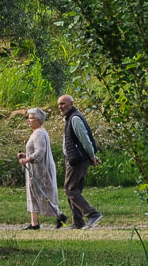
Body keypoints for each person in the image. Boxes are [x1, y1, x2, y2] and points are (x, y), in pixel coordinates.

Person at [57, 94, 102, 229]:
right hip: (74, 158)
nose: (60, 107)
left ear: (71, 104)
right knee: (75, 190)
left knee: (70, 190)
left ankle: (92, 214)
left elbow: (85, 140)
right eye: (59, 104)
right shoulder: (70, 118)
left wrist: (92, 156)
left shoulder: (75, 118)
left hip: (77, 159)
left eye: (63, 103)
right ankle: (78, 223)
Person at [17, 107, 63, 229]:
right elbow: (36, 151)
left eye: (31, 118)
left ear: (38, 120)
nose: (28, 120)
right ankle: (34, 223)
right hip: (35, 169)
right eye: (28, 118)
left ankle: (59, 215)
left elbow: (40, 151)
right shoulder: (36, 132)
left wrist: (27, 159)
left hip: (41, 170)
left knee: (43, 193)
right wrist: (26, 155)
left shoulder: (39, 133)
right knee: (33, 193)